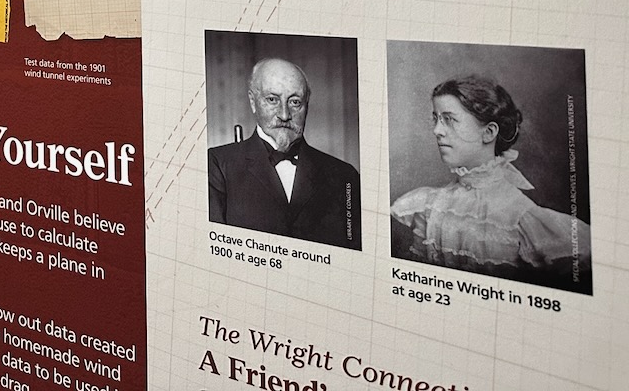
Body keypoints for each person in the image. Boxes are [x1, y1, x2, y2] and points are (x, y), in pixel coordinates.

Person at [390, 76, 591, 289]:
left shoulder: (518, 216)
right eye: (436, 118)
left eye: (449, 119)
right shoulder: (427, 206)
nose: (437, 130)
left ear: (489, 132)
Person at [209, 57, 361, 249]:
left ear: (307, 105)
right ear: (253, 102)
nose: (284, 115)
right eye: (272, 100)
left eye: (295, 102)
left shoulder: (344, 175)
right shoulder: (216, 164)